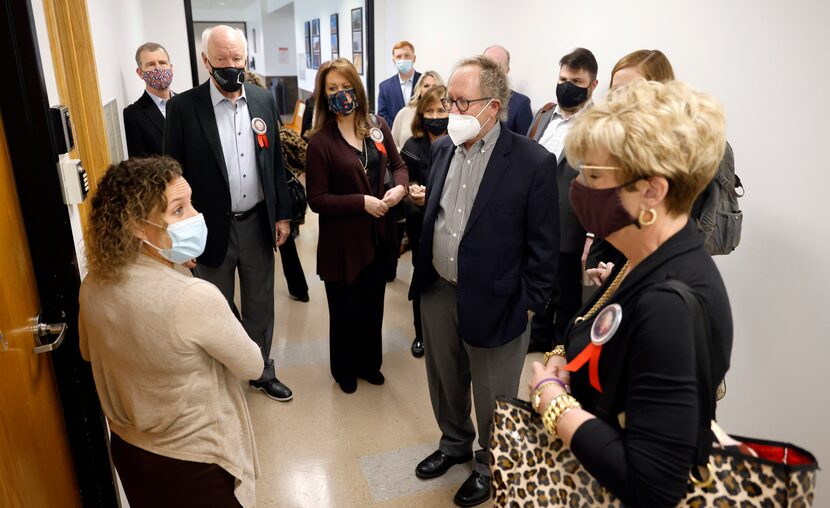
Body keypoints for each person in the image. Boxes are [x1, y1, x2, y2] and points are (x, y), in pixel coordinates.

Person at [528, 79, 733, 507]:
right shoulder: (640, 258)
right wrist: (566, 360)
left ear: (652, 192)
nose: (578, 187)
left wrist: (555, 406)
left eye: (593, 175)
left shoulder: (670, 304)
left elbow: (653, 485)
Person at [409, 55, 559, 507]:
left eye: (459, 102)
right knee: (444, 379)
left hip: (499, 300)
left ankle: (491, 464)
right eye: (447, 101)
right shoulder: (441, 149)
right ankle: (454, 442)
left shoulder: (532, 161)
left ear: (492, 107)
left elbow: (544, 246)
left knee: (494, 395)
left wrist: (528, 304)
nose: (448, 112)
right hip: (439, 288)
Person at [79, 157, 262, 508]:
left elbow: (89, 352)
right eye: (178, 211)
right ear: (136, 226)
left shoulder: (93, 285)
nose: (195, 216)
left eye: (191, 203)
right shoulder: (192, 297)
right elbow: (252, 365)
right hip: (195, 461)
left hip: (131, 452)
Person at [164, 25, 293, 402]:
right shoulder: (183, 108)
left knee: (260, 303)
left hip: (256, 222)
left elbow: (275, 164)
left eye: (237, 59)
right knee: (213, 309)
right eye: (222, 60)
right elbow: (171, 176)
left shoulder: (263, 100)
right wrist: (179, 239)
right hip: (208, 229)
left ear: (246, 58)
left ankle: (261, 371)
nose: (231, 66)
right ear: (206, 62)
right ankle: (219, 378)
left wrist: (282, 216)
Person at [586, 49, 739, 284]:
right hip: (618, 279)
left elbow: (679, 237)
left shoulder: (686, 152)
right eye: (615, 92)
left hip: (663, 284)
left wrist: (623, 277)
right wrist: (598, 265)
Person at [305, 58, 409, 394]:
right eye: (332, 89)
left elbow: (399, 165)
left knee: (372, 305)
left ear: (357, 89)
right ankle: (345, 369)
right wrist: (360, 202)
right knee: (345, 310)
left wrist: (400, 188)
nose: (341, 94)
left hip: (378, 238)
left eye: (346, 87)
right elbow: (317, 199)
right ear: (324, 95)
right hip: (342, 243)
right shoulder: (321, 141)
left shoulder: (377, 126)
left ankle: (370, 363)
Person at [526, 47, 599, 353]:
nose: (566, 85)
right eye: (562, 78)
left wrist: (593, 233)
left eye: (576, 81)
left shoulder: (598, 124)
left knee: (566, 295)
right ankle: (538, 336)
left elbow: (598, 182)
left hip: (572, 223)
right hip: (535, 220)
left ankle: (561, 347)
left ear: (592, 85)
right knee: (539, 284)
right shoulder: (544, 115)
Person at [245, 70, 310, 302]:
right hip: (272, 185)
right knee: (286, 243)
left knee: (277, 242)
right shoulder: (265, 101)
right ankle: (299, 288)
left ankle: (291, 289)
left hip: (265, 187)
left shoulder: (262, 104)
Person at [399, 85, 448, 358]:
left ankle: (447, 334)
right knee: (422, 279)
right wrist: (414, 190)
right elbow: (407, 179)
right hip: (420, 225)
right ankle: (421, 334)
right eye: (429, 110)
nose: (435, 115)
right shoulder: (413, 146)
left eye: (441, 110)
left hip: (450, 224)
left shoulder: (458, 143)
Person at [124, 42, 174, 157]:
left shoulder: (187, 104)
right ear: (140, 73)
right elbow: (141, 166)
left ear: (171, 68)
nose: (158, 68)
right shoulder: (133, 115)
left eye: (162, 63)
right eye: (150, 65)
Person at [482, 45, 532, 135]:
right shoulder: (470, 100)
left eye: (498, 67)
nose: (491, 72)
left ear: (507, 70)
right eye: (487, 66)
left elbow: (527, 144)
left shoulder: (520, 104)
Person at [391, 70, 444, 149]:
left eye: (434, 86)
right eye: (426, 86)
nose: (430, 90)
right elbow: (393, 144)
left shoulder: (445, 115)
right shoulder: (404, 113)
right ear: (419, 89)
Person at [377, 41, 421, 127]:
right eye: (399, 57)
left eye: (407, 56)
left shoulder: (424, 82)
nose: (403, 59)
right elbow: (382, 116)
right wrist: (398, 132)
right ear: (394, 60)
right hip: (394, 137)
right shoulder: (385, 87)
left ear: (414, 58)